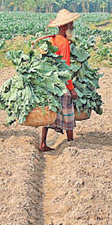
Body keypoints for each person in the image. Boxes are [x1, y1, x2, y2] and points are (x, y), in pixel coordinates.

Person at [40, 9, 81, 152]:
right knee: (68, 110)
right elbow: (66, 68)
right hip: (60, 83)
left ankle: (43, 143)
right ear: (65, 26)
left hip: (49, 82)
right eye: (71, 24)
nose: (73, 27)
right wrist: (71, 89)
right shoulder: (64, 43)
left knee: (50, 112)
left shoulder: (52, 39)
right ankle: (70, 142)